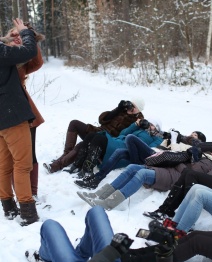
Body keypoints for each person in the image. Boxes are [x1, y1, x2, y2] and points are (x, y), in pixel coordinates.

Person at [25, 206, 193, 262]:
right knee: (96, 212)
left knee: (50, 226)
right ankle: (82, 251)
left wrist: (110, 252)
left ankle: (46, 257)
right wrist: (164, 255)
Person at [77, 147, 212, 211]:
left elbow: (200, 179)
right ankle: (100, 194)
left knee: (141, 174)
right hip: (168, 170)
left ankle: (109, 203)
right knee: (132, 167)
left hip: (175, 178)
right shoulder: (200, 156)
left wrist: (191, 162)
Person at [74, 129, 212, 189]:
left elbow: (176, 155)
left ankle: (134, 165)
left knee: (130, 138)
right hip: (155, 154)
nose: (191, 135)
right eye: (192, 133)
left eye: (195, 135)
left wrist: (175, 141)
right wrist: (167, 138)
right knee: (119, 152)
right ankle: (97, 179)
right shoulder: (179, 138)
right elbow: (160, 145)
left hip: (161, 159)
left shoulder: (191, 147)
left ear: (199, 141)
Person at [0, 18, 39, 225]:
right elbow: (29, 52)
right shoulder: (2, 52)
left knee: (4, 165)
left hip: (2, 119)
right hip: (11, 116)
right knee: (23, 165)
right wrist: (25, 32)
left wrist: (8, 38)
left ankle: (8, 207)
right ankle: (28, 212)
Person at [43, 99, 145, 173]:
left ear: (139, 110)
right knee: (74, 123)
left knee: (82, 145)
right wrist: (118, 109)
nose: (131, 107)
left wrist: (136, 123)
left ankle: (56, 165)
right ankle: (66, 155)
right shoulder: (122, 110)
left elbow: (126, 136)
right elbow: (102, 119)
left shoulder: (138, 120)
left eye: (134, 107)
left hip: (106, 140)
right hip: (96, 131)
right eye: (131, 104)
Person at [4, 22, 45, 199]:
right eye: (14, 35)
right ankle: (17, 195)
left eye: (20, 35)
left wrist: (31, 38)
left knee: (29, 155)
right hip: (6, 112)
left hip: (24, 109)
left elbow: (37, 62)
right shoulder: (6, 55)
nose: (17, 37)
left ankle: (32, 192)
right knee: (9, 160)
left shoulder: (21, 59)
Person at [66, 117, 163, 179]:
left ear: (157, 128)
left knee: (99, 139)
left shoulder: (157, 138)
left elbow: (148, 150)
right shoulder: (139, 129)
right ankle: (78, 165)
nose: (149, 126)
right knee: (91, 135)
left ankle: (87, 170)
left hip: (124, 151)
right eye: (148, 123)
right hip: (117, 142)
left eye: (152, 125)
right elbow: (123, 133)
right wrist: (135, 125)